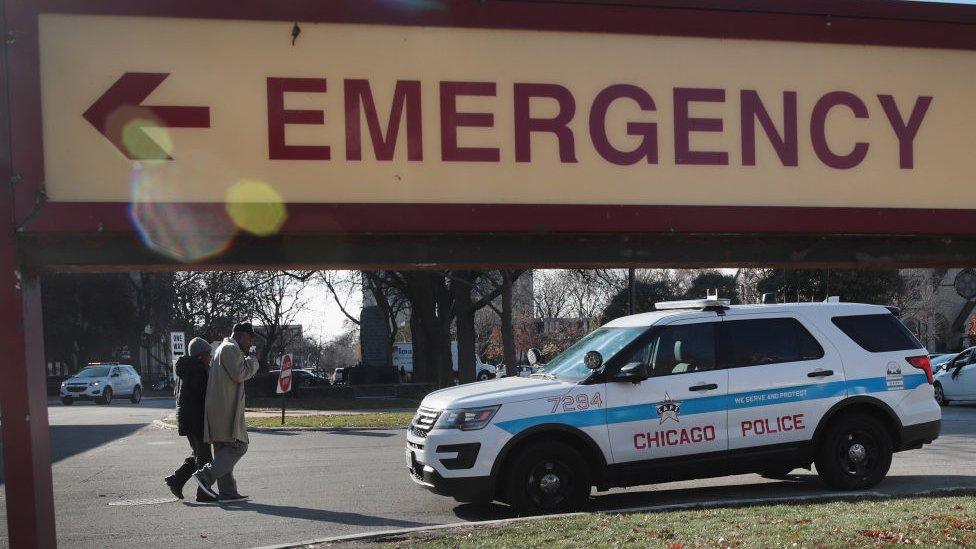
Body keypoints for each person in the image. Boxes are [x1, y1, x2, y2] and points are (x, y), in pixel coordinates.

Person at [193, 322, 260, 502]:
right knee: (239, 446)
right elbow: (239, 374)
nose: (250, 342)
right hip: (225, 410)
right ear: (240, 336)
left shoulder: (223, 348)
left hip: (220, 408)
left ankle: (228, 492)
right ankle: (205, 476)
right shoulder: (230, 348)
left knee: (224, 449)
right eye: (249, 338)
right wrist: (253, 360)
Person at [165, 337, 216, 502]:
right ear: (201, 355)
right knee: (205, 457)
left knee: (199, 454)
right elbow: (203, 395)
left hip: (187, 418)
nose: (210, 357)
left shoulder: (186, 368)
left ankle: (177, 480)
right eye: (208, 354)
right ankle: (203, 493)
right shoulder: (198, 369)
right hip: (196, 419)